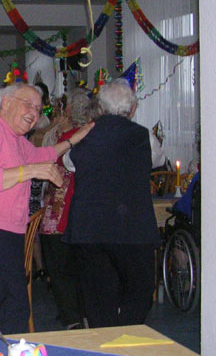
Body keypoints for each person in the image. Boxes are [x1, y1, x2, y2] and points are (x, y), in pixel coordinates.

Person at [0, 82, 93, 334]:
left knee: (7, 308)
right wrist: (30, 171)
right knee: (10, 309)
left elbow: (42, 155)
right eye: (28, 105)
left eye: (38, 108)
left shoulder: (13, 137)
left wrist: (73, 140)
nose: (34, 113)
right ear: (6, 103)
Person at [63, 79, 161, 328]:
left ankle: (104, 341)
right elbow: (159, 159)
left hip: (90, 228)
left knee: (97, 297)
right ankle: (125, 336)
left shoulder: (85, 135)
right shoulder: (144, 136)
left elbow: (67, 162)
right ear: (132, 109)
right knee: (139, 292)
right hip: (133, 229)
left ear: (101, 108)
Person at [39, 88, 91, 330]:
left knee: (59, 268)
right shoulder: (93, 133)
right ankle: (80, 312)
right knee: (78, 266)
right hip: (81, 209)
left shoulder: (63, 135)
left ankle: (71, 317)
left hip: (59, 209)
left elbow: (43, 155)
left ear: (70, 109)